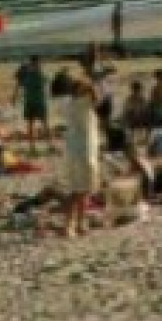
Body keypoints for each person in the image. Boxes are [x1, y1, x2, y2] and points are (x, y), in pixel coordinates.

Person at [54, 70, 103, 237]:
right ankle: (70, 225)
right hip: (84, 151)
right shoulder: (84, 103)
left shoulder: (68, 103)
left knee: (81, 190)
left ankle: (79, 224)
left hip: (74, 150)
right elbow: (97, 95)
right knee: (79, 191)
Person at [11, 56, 51, 156]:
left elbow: (46, 82)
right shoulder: (29, 75)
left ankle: (50, 145)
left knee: (44, 124)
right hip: (31, 102)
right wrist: (14, 97)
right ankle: (32, 147)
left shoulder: (38, 74)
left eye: (38, 64)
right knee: (31, 125)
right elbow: (18, 84)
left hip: (39, 102)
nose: (37, 65)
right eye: (36, 64)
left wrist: (14, 97)